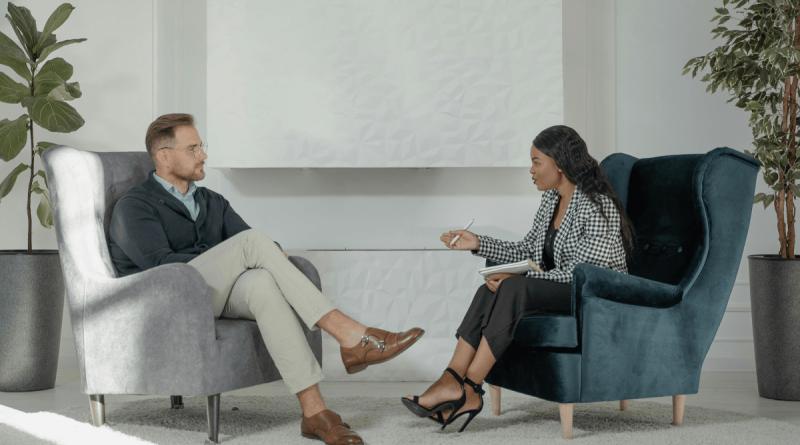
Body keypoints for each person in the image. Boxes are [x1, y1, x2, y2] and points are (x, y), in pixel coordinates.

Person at [109, 113, 424, 445]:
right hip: (167, 300)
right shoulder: (134, 206)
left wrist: (265, 254)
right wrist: (248, 253)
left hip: (210, 293)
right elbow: (164, 266)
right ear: (164, 156)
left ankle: (315, 413)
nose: (203, 155)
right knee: (255, 244)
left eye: (202, 146)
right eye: (193, 149)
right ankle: (351, 336)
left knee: (261, 283)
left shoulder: (211, 201)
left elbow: (253, 245)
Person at [401, 125, 634, 432]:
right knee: (490, 290)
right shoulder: (551, 200)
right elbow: (527, 249)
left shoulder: (596, 203)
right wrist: (478, 243)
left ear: (560, 163)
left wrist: (520, 276)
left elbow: (585, 272)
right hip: (563, 289)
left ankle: (470, 388)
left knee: (511, 286)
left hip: (594, 295)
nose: (531, 170)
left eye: (537, 162)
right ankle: (452, 379)